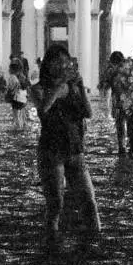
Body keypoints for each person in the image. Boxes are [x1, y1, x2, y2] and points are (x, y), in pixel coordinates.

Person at [33, 44, 98, 248]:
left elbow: (88, 113)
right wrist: (59, 88)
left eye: (65, 62)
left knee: (89, 201)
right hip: (51, 151)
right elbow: (43, 109)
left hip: (75, 150)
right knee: (55, 204)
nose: (62, 66)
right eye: (58, 62)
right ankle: (52, 244)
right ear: (48, 64)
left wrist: (81, 87)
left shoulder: (73, 87)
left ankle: (94, 244)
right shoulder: (38, 88)